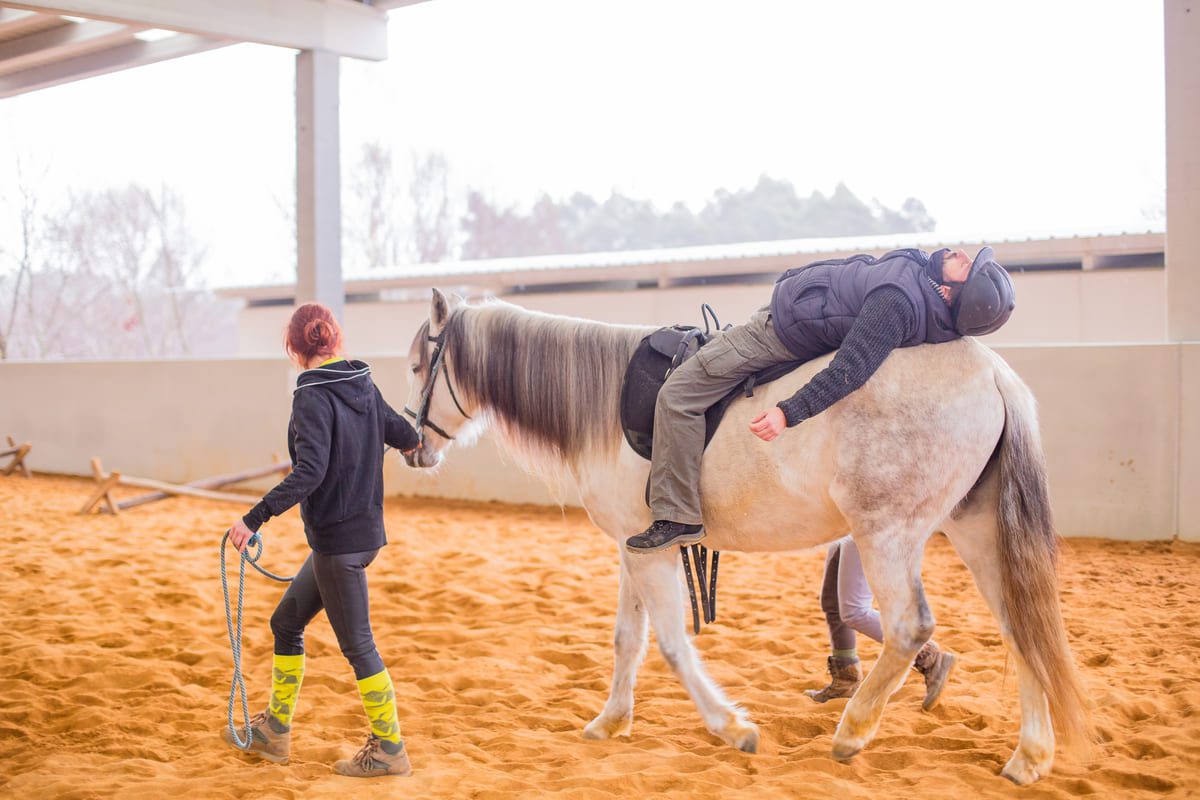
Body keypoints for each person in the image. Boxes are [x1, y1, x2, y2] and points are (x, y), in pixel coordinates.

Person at [625, 245, 1015, 553]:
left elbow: (852, 367)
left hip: (776, 333)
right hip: (789, 317)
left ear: (949, 293)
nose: (962, 254)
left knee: (677, 394)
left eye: (967, 267)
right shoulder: (922, 281)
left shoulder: (897, 304)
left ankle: (676, 515)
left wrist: (787, 412)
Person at [222, 302, 421, 779]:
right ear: (335, 338)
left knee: (359, 647)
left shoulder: (310, 396)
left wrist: (254, 518)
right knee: (285, 622)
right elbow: (408, 435)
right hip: (359, 536)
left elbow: (309, 472)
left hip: (339, 544)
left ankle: (390, 747)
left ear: (293, 348)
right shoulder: (362, 383)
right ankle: (275, 732)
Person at [804, 536, 956, 708]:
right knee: (833, 602)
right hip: (845, 525)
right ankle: (845, 681)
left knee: (855, 611)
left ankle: (928, 656)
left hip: (869, 525)